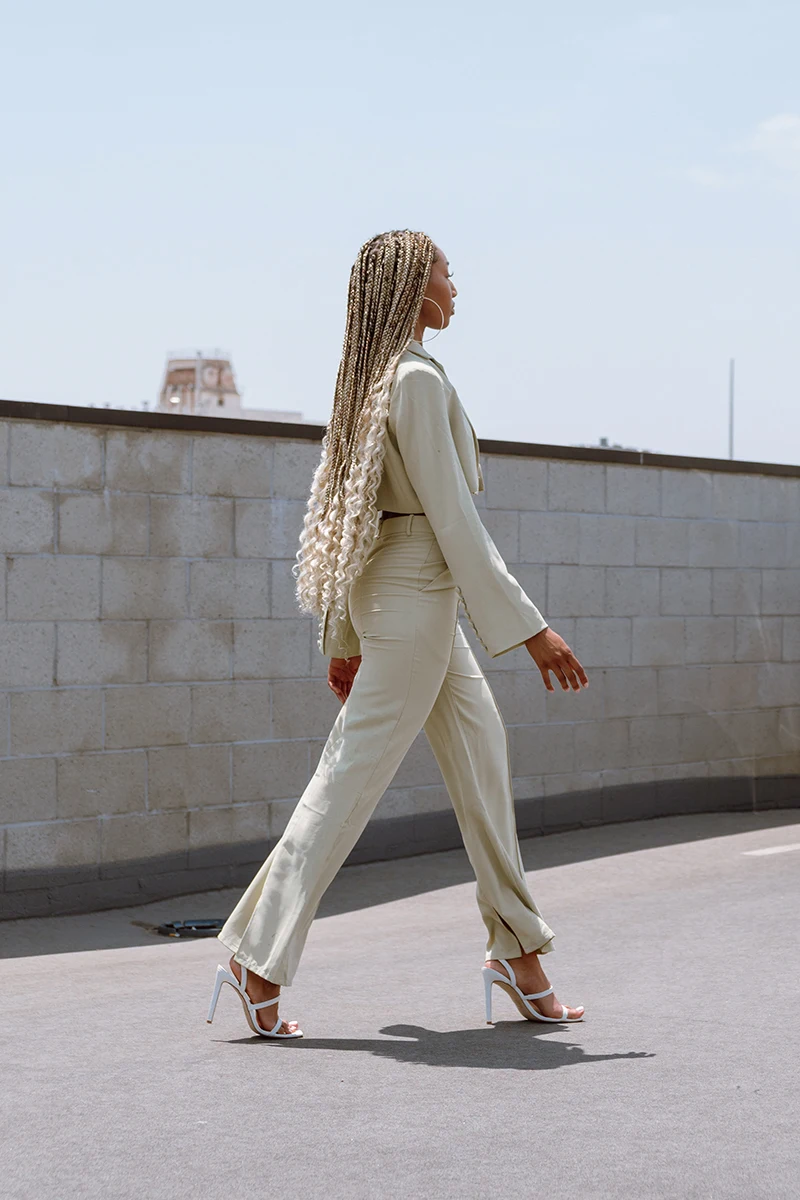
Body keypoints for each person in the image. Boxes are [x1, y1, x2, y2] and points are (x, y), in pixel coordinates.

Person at [206, 229, 589, 1040]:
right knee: (346, 783)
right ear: (417, 284)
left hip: (414, 599)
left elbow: (355, 521)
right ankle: (256, 958)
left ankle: (519, 955)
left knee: (482, 763)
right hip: (418, 598)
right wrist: (533, 631)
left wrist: (343, 633)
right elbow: (451, 520)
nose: (458, 282)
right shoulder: (411, 381)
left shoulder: (381, 381)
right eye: (448, 270)